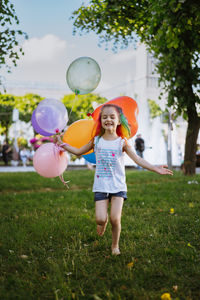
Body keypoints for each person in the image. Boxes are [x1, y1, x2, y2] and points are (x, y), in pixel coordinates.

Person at [54, 104, 173, 255]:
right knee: (100, 219)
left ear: (118, 121)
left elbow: (137, 159)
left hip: (118, 187)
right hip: (101, 186)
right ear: (100, 121)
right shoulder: (96, 141)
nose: (108, 119)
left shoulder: (122, 142)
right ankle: (101, 224)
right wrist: (62, 144)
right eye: (104, 117)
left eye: (112, 117)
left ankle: (115, 245)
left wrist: (156, 168)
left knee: (115, 219)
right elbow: (78, 152)